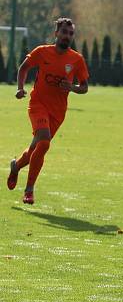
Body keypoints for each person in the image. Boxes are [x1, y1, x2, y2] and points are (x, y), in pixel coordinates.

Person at [6, 17, 89, 205]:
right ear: (56, 33)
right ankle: (29, 190)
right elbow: (23, 68)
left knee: (37, 147)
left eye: (70, 33)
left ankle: (16, 166)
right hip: (38, 104)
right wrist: (20, 88)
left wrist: (72, 87)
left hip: (58, 112)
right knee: (44, 142)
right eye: (64, 32)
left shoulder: (76, 59)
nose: (67, 36)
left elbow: (84, 87)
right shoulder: (42, 52)